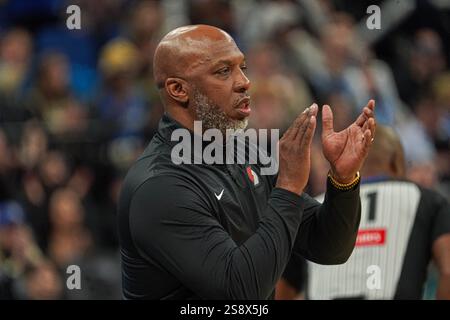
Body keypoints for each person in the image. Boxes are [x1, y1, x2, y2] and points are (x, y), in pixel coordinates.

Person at [117, 25, 376, 300]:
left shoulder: (245, 152)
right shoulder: (159, 187)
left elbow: (330, 247)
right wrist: (288, 186)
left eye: (242, 67)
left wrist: (343, 180)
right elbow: (240, 293)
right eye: (223, 71)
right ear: (178, 89)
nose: (244, 82)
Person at [280, 126, 450, 299]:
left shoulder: (312, 206)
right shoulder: (428, 200)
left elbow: (281, 289)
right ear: (396, 162)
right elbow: (448, 270)